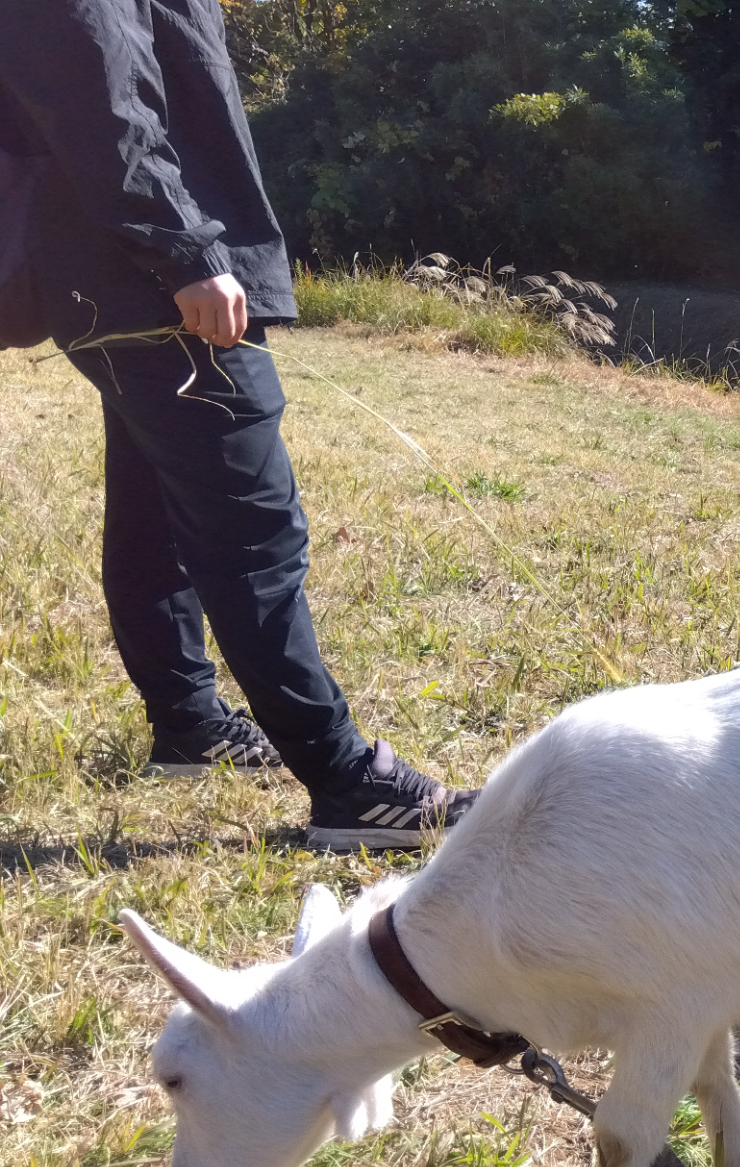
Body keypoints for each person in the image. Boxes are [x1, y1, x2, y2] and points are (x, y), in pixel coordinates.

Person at [0, 0, 476, 851]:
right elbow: (96, 91)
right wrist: (184, 248)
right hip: (145, 278)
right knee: (252, 530)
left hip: (114, 273)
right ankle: (347, 784)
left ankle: (189, 727)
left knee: (154, 513)